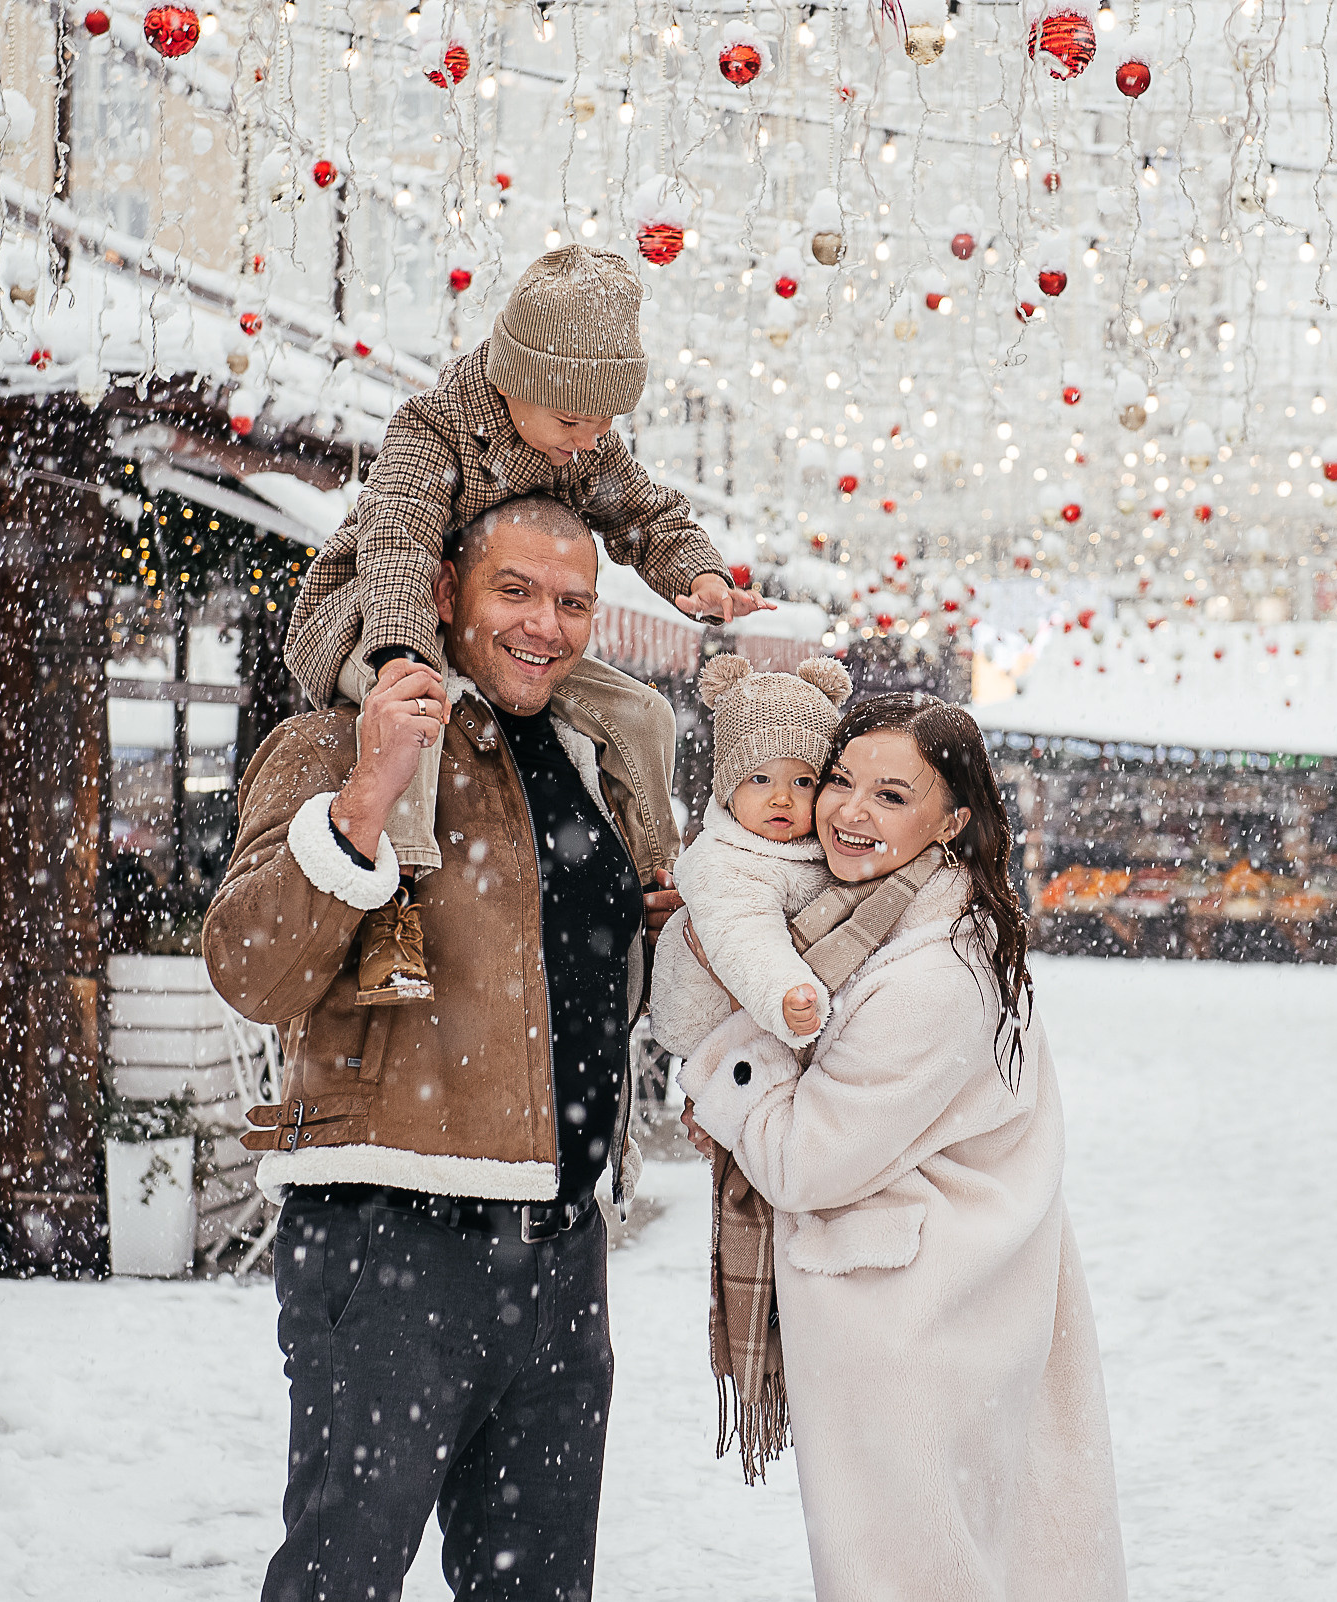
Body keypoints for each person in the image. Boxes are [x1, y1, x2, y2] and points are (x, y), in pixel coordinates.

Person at [205, 495, 683, 1602]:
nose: (547, 626)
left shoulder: (594, 756)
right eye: (515, 591)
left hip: (562, 1246)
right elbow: (248, 968)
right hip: (393, 1241)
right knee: (342, 1578)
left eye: (574, 602)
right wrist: (367, 794)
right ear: (441, 597)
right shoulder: (333, 739)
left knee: (538, 1588)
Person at [675, 694, 1127, 1602]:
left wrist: (722, 1065)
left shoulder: (934, 971)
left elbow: (806, 1159)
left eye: (890, 796)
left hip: (918, 1328)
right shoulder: (876, 921)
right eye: (839, 781)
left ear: (953, 821)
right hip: (940, 1309)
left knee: (910, 1574)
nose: (847, 811)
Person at [283, 245, 770, 1008]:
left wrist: (699, 577)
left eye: (605, 420)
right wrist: (405, 651)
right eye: (573, 417)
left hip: (495, 632)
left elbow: (646, 514)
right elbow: (400, 543)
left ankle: (655, 872)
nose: (589, 436)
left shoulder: (582, 446)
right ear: (516, 381)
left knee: (642, 711)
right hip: (370, 616)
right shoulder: (431, 434)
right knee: (418, 712)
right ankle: (396, 907)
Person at [662, 653, 855, 1050]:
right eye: (761, 778)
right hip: (716, 1034)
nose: (781, 798)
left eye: (803, 782)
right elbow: (744, 936)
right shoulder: (724, 861)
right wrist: (784, 992)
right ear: (730, 791)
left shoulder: (814, 849)